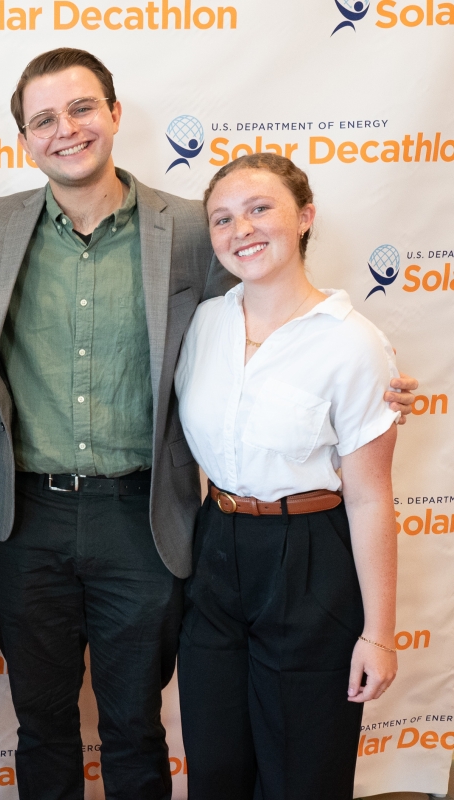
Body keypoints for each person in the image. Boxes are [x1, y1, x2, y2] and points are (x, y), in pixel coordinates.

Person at [0, 48, 418, 799]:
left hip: (142, 516)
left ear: (113, 113)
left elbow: (273, 296)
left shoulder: (191, 230)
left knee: (136, 724)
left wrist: (369, 372)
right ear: (23, 138)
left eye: (80, 109)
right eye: (43, 119)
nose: (65, 130)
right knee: (41, 724)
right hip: (27, 515)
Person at [174, 152, 398, 799]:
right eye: (222, 219)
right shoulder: (206, 323)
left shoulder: (354, 343)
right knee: (215, 768)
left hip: (309, 558)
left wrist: (380, 634)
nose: (240, 229)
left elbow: (370, 498)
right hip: (216, 550)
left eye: (258, 208)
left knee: (305, 773)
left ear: (304, 217)